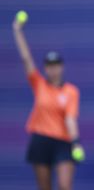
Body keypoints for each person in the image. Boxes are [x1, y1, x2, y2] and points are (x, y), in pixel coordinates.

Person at [12, 17, 82, 190]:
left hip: (63, 143)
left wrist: (76, 142)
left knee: (65, 186)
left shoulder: (71, 91)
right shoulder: (39, 84)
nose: (53, 69)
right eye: (50, 65)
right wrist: (17, 30)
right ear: (45, 69)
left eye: (56, 65)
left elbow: (70, 119)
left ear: (62, 67)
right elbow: (26, 58)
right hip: (41, 141)